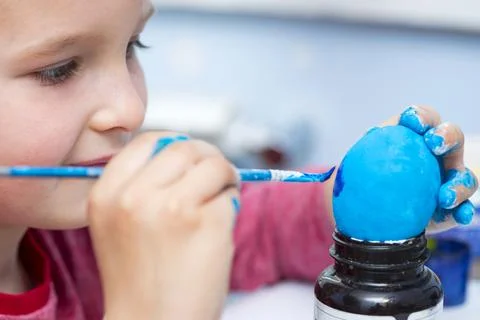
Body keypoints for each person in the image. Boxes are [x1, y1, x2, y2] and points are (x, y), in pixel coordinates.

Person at [0, 1, 477, 319]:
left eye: (131, 46)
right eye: (57, 71)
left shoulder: (80, 224)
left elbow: (260, 228)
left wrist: (359, 201)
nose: (129, 108)